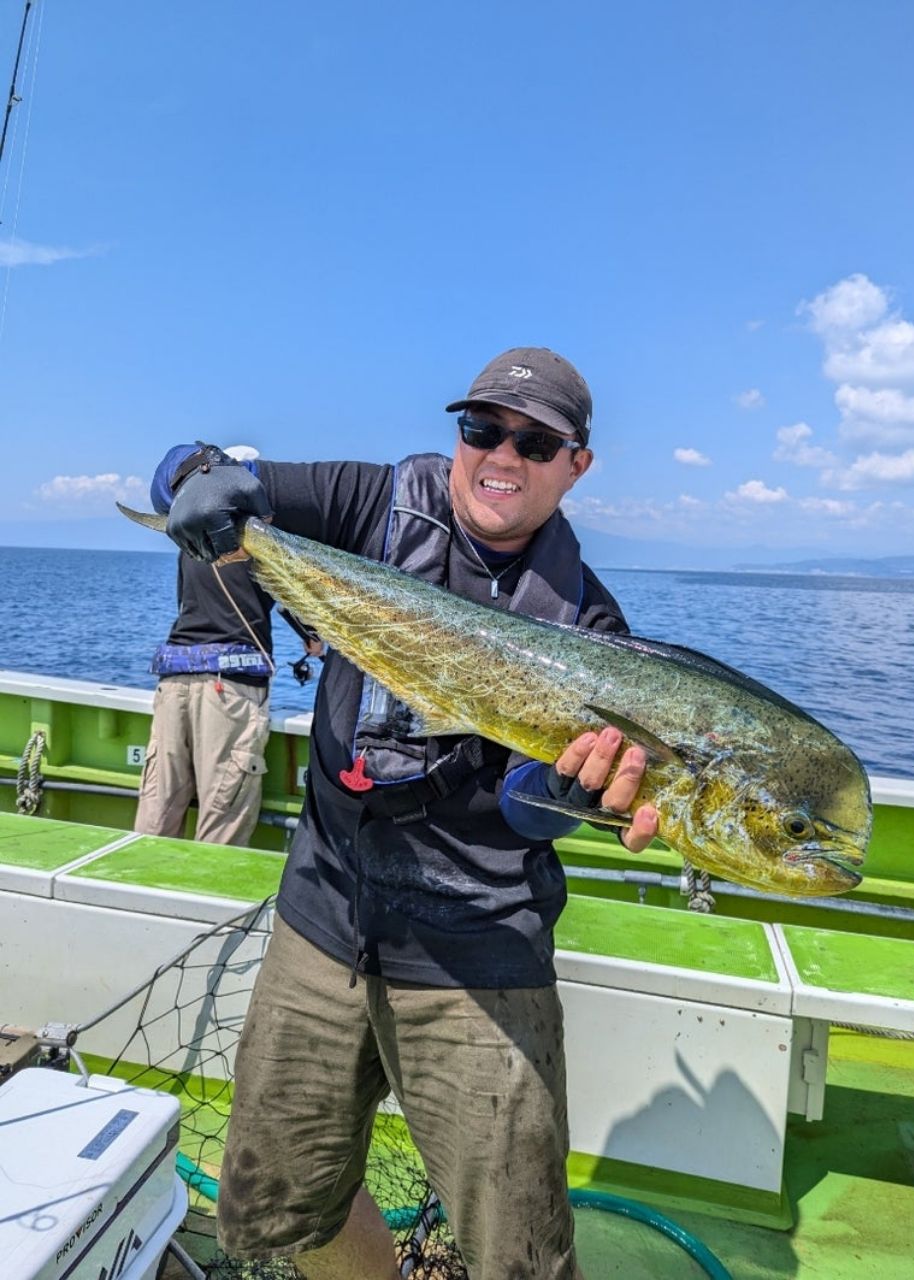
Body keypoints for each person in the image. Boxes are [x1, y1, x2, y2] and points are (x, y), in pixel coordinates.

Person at [151, 349, 659, 1280]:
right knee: (277, 1204)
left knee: (520, 1257)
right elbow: (204, 466)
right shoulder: (372, 504)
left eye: (535, 442)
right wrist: (191, 479)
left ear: (575, 464)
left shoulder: (589, 633)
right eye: (481, 429)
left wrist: (573, 792)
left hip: (476, 954)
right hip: (321, 919)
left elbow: (529, 815)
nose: (502, 454)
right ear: (457, 437)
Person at [134, 445, 315, 848]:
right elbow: (288, 598)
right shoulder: (255, 539)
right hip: (229, 687)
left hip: (173, 681)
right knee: (223, 822)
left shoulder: (189, 537)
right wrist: (312, 639)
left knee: (156, 813)